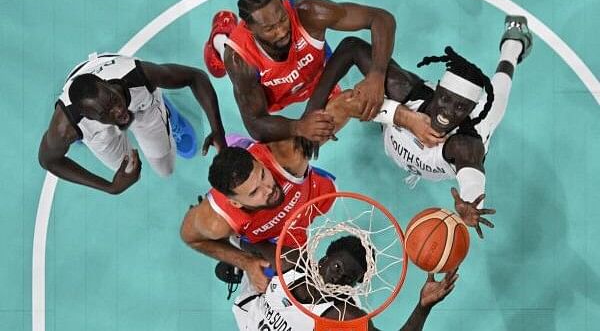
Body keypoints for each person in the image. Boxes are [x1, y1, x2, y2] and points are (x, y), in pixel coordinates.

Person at [310, 16, 533, 238]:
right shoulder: (408, 91)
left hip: (468, 131)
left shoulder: (466, 143)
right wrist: (313, 111)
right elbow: (352, 47)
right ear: (436, 90)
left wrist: (469, 201)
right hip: (399, 124)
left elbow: (472, 176)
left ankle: (513, 47)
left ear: (469, 111)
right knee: (356, 100)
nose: (447, 112)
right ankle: (307, 141)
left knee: (499, 92)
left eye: (460, 107)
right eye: (444, 99)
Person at [203, 0, 437, 146]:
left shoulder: (309, 12)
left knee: (371, 88)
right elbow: (255, 123)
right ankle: (220, 35)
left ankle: (396, 116)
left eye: (282, 20)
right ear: (251, 29)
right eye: (270, 28)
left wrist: (376, 74)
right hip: (280, 96)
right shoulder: (239, 60)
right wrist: (298, 126)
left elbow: (381, 18)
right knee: (305, 144)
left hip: (316, 76)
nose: (282, 31)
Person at [38, 53, 226, 195]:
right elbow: (48, 160)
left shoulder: (139, 75)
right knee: (127, 170)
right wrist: (109, 187)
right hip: (91, 129)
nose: (118, 111)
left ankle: (163, 108)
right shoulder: (66, 127)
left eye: (113, 99)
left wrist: (217, 129)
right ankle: (84, 136)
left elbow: (195, 76)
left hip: (140, 103)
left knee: (165, 168)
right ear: (87, 116)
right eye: (106, 112)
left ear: (106, 83)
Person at [180, 135, 337, 293]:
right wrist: (246, 262)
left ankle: (236, 143)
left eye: (263, 175)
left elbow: (340, 110)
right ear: (235, 203)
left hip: (310, 197)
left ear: (260, 162)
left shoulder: (288, 155)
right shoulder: (216, 223)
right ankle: (239, 247)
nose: (269, 189)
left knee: (328, 198)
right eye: (254, 192)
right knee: (287, 270)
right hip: (265, 234)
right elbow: (192, 239)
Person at [232, 235, 459, 330]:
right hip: (250, 313)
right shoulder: (289, 260)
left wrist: (423, 306)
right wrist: (237, 257)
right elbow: (243, 239)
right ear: (324, 260)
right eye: (337, 268)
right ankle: (237, 270)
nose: (338, 278)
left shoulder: (344, 316)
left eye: (348, 278)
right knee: (252, 261)